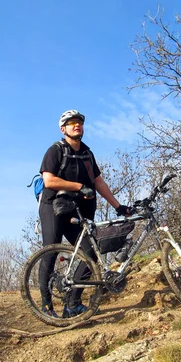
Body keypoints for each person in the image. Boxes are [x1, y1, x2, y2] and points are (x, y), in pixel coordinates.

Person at [38, 109, 132, 318]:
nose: (76, 125)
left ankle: (72, 303)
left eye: (79, 122)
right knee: (51, 250)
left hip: (78, 211)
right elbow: (49, 181)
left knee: (91, 251)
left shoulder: (87, 154)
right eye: (71, 123)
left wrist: (118, 206)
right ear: (63, 129)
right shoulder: (56, 151)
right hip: (53, 207)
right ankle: (46, 306)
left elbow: (98, 182)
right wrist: (79, 187)